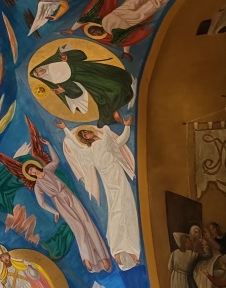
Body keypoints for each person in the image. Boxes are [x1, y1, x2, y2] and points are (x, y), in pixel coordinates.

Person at [59, 116, 141, 269]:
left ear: (91, 131)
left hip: (118, 174)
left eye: (86, 132)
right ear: (84, 139)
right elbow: (74, 146)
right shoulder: (88, 150)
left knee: (128, 207)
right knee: (116, 209)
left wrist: (127, 126)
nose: (86, 135)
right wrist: (65, 129)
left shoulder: (106, 140)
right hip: (108, 179)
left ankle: (132, 250)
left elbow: (121, 141)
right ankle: (117, 249)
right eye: (83, 135)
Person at [26, 142, 111, 272]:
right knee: (78, 227)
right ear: (31, 174)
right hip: (59, 202)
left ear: (35, 166)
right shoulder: (38, 186)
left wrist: (49, 145)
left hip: (68, 194)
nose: (33, 171)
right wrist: (54, 211)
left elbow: (56, 160)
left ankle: (103, 256)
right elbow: (41, 203)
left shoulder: (48, 169)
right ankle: (87, 258)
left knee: (86, 221)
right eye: (30, 172)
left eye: (32, 168)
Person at [64, 0, 177, 60]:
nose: (94, 32)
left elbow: (84, 19)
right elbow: (126, 40)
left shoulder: (100, 21)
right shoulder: (114, 36)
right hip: (134, 18)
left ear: (93, 27)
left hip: (121, 11)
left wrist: (72, 29)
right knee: (152, 5)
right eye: (94, 34)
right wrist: (126, 52)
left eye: (92, 31)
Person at [30, 43, 136, 127]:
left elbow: (82, 55)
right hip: (87, 79)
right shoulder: (55, 80)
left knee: (116, 76)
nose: (40, 72)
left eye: (38, 70)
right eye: (38, 74)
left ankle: (126, 86)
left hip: (90, 68)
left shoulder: (55, 61)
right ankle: (116, 111)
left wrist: (68, 57)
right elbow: (77, 91)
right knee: (111, 90)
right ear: (41, 77)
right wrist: (64, 90)